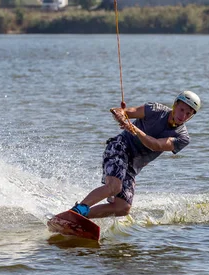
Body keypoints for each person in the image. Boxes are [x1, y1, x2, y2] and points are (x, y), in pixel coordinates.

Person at [70, 90, 201, 219]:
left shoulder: (183, 137)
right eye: (182, 110)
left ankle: (82, 217)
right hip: (119, 148)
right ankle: (79, 209)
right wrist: (120, 115)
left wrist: (135, 129)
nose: (183, 116)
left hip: (132, 166)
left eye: (188, 114)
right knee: (114, 187)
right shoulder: (155, 109)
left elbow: (156, 145)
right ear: (175, 105)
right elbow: (122, 111)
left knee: (123, 208)